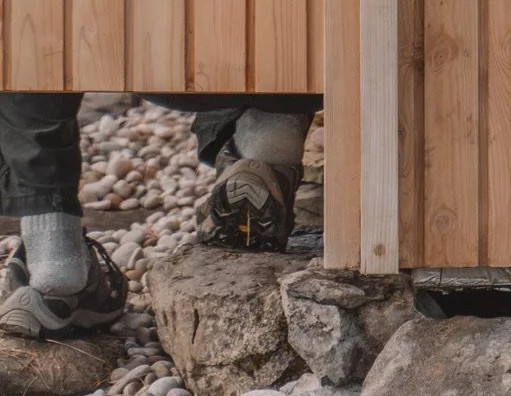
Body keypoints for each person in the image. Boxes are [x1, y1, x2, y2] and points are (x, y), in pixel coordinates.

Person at [0, 92, 321, 339]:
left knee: (40, 32)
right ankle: (266, 150)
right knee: (274, 26)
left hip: (141, 57)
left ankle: (53, 259)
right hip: (313, 58)